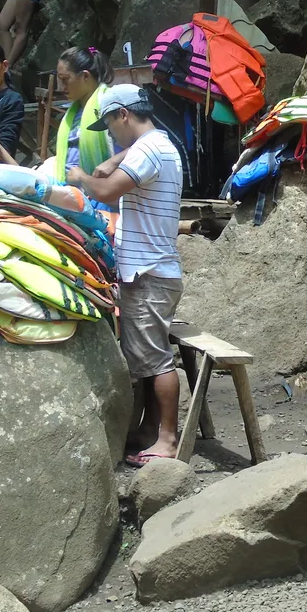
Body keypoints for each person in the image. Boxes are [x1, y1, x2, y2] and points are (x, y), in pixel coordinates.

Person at [67, 85, 183, 465]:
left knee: (157, 358)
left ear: (123, 116)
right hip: (151, 269)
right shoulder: (157, 145)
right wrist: (116, 159)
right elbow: (123, 164)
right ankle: (150, 432)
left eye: (111, 125)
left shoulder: (149, 149)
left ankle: (167, 440)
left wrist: (82, 177)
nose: (111, 135)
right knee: (146, 358)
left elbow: (106, 192)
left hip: (150, 271)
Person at [52, 46, 118, 186]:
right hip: (68, 191)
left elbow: (141, 143)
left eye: (65, 79)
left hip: (100, 192)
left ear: (85, 76)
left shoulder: (110, 106)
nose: (61, 87)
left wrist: (113, 162)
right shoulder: (72, 113)